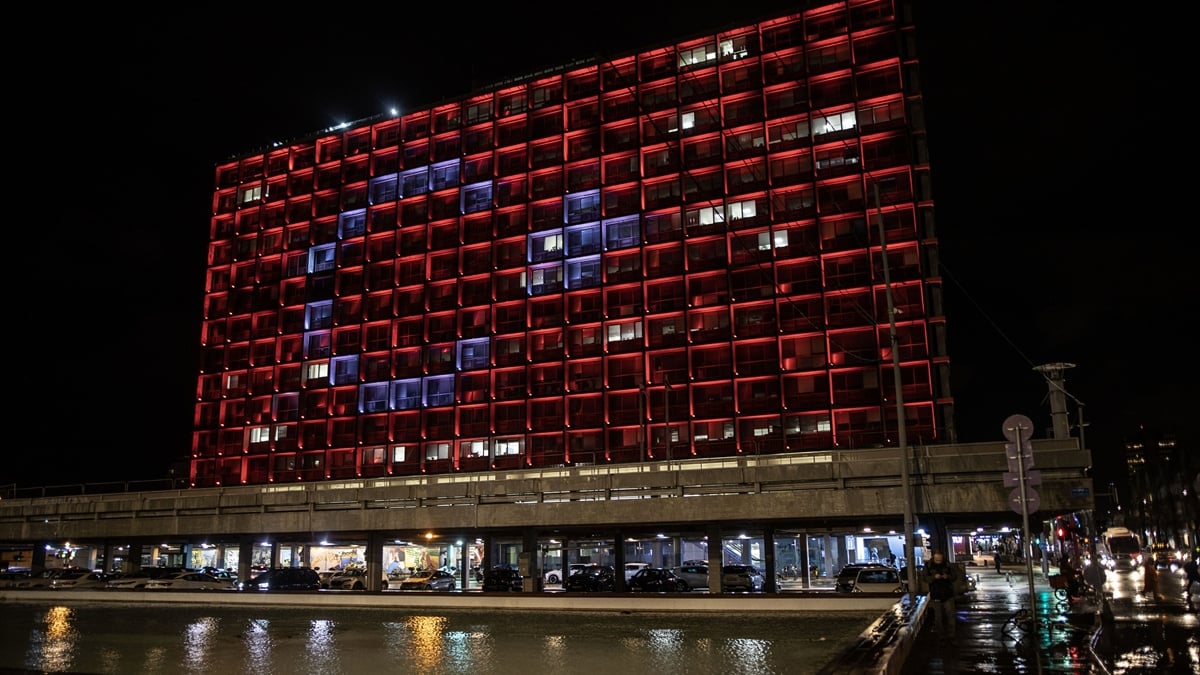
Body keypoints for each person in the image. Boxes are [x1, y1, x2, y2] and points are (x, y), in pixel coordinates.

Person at [921, 550, 958, 644]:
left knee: (951, 616)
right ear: (933, 557)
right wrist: (934, 577)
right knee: (938, 617)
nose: (939, 561)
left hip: (948, 593)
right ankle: (941, 636)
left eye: (940, 559)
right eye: (937, 559)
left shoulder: (947, 564)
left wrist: (947, 576)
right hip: (935, 594)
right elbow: (924, 578)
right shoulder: (928, 566)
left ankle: (951, 636)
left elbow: (954, 576)